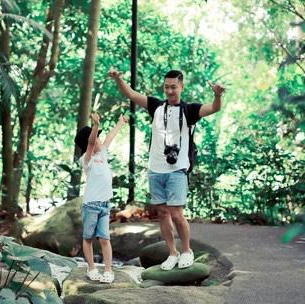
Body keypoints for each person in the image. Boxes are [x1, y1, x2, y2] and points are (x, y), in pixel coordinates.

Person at [108, 67, 225, 270]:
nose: (170, 91)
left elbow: (214, 108)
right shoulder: (156, 106)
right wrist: (118, 78)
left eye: (173, 87)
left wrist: (217, 95)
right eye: (166, 87)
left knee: (176, 213)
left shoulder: (189, 110)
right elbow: (131, 94)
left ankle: (187, 250)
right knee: (162, 213)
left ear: (181, 86)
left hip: (177, 169)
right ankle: (172, 253)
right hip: (156, 168)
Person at [74, 112, 128, 283]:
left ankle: (108, 270)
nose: (99, 140)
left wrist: (120, 123)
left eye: (98, 138)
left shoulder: (103, 153)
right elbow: (90, 142)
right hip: (91, 205)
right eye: (96, 137)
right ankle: (91, 268)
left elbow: (110, 137)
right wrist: (95, 125)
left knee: (105, 238)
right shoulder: (86, 159)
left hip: (105, 205)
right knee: (88, 238)